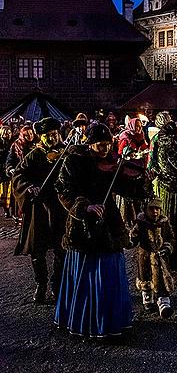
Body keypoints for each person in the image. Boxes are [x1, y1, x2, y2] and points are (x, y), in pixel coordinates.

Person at [54, 123, 134, 339]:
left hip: (109, 220)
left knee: (109, 270)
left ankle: (110, 319)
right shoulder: (73, 160)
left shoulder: (111, 162)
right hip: (82, 225)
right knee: (86, 272)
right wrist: (84, 207)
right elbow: (63, 189)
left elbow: (125, 187)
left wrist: (140, 179)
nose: (106, 150)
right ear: (89, 144)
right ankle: (84, 320)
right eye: (100, 145)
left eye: (108, 145)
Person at [12, 117, 67, 303]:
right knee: (38, 249)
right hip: (40, 207)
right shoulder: (35, 155)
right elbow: (18, 175)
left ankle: (56, 284)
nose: (52, 139)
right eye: (47, 136)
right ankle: (40, 284)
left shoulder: (65, 152)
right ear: (40, 137)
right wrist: (29, 187)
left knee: (61, 248)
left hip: (59, 206)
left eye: (54, 134)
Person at [147, 120, 177, 270]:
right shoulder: (176, 144)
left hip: (163, 189)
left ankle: (166, 256)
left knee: (166, 223)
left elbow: (152, 165)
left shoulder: (156, 143)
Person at [130, 197, 175, 318]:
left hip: (160, 258)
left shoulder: (164, 223)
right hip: (145, 257)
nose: (155, 212)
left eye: (158, 209)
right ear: (145, 209)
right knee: (145, 278)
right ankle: (148, 299)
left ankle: (164, 304)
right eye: (152, 209)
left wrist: (167, 247)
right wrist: (130, 240)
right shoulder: (141, 223)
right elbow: (133, 237)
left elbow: (171, 237)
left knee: (161, 279)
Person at [5, 124, 36, 220]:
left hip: (33, 176)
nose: (30, 136)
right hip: (21, 175)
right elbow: (10, 160)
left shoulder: (36, 145)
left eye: (31, 134)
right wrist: (10, 168)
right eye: (27, 135)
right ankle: (18, 215)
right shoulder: (16, 145)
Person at [0, 126, 13, 218]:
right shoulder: (1, 143)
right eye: (6, 133)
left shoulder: (12, 143)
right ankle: (5, 209)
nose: (8, 135)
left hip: (7, 170)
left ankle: (7, 209)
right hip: (1, 169)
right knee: (3, 191)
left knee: (8, 191)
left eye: (9, 133)